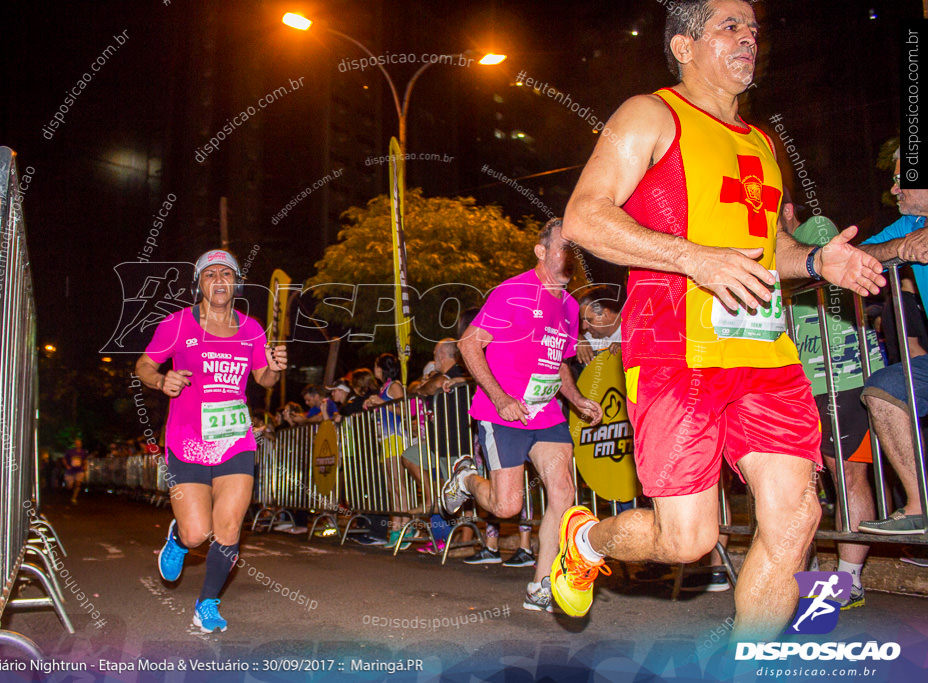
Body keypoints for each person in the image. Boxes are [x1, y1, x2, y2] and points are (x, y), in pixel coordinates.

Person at [555, 0, 884, 641]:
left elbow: (766, 252)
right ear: (682, 45)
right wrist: (692, 258)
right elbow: (584, 218)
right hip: (676, 347)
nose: (748, 39)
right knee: (688, 540)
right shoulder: (650, 114)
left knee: (794, 518)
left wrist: (818, 260)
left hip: (767, 353)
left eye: (753, 28)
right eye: (729, 26)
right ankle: (587, 537)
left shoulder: (761, 143)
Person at [441, 217, 603, 612]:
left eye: (574, 248)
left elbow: (558, 363)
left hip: (547, 413)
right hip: (503, 415)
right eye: (562, 246)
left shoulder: (568, 306)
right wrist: (499, 398)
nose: (569, 255)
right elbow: (468, 344)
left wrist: (578, 399)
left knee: (563, 490)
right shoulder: (512, 292)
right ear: (541, 251)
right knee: (506, 507)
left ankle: (542, 584)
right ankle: (466, 478)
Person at [135, 249, 287, 633]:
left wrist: (274, 369)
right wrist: (159, 381)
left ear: (235, 283)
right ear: (199, 283)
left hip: (236, 439)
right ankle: (179, 539)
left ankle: (208, 602)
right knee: (197, 532)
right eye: (210, 274)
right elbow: (144, 365)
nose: (219, 280)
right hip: (186, 442)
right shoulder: (177, 324)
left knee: (230, 528)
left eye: (227, 274)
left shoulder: (252, 328)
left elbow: (263, 380)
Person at [783, 199, 883, 609]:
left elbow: (827, 275)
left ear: (786, 208)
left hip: (839, 371)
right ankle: (805, 578)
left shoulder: (817, 229)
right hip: (798, 381)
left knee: (848, 476)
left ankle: (849, 580)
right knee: (799, 484)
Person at [858, 148, 928, 535]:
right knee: (883, 391)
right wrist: (900, 248)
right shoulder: (911, 224)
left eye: (904, 178)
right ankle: (920, 510)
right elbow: (854, 257)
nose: (895, 187)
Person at [363, 353, 414, 548]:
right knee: (392, 486)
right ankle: (397, 527)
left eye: (376, 365)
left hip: (396, 437)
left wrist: (382, 403)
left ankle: (405, 527)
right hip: (385, 438)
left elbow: (406, 411)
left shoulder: (395, 386)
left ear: (382, 367)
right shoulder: (384, 388)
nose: (374, 369)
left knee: (398, 484)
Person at [63, 438, 87, 504]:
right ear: (74, 444)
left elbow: (84, 460)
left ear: (81, 444)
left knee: (78, 484)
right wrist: (67, 465)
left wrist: (85, 466)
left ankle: (74, 498)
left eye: (79, 444)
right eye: (76, 444)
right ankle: (67, 488)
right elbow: (64, 459)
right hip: (70, 471)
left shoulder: (83, 452)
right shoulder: (70, 451)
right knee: (70, 486)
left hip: (79, 470)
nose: (78, 445)